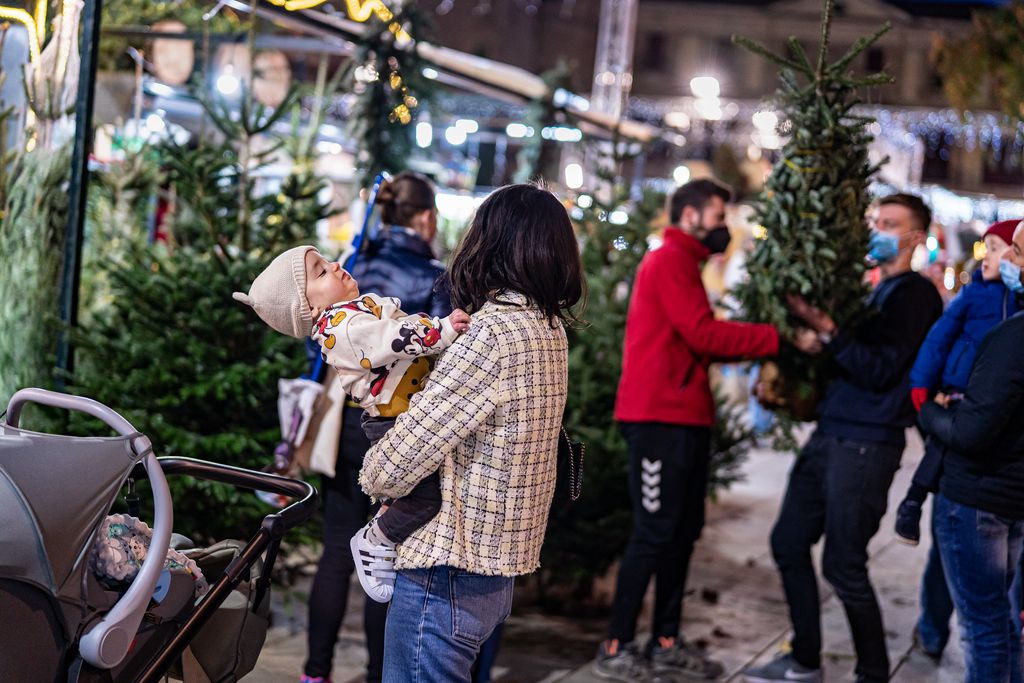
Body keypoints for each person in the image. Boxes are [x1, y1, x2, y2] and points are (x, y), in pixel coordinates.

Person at [359, 183, 585, 682]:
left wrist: (374, 468)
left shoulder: (492, 333)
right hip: (495, 570)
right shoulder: (548, 328)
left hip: (445, 572)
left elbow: (398, 461)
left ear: (490, 243)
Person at [595, 179, 817, 682]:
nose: (725, 227)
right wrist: (776, 338)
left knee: (681, 534)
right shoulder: (669, 260)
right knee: (654, 533)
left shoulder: (687, 263)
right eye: (719, 217)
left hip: (685, 418)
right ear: (691, 216)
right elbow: (702, 333)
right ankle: (616, 645)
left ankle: (665, 641)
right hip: (657, 420)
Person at [743, 194, 943, 683]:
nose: (877, 230)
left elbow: (880, 370)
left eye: (890, 223)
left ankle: (872, 672)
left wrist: (829, 330)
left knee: (843, 564)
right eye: (876, 220)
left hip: (867, 445)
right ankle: (805, 659)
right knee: (788, 541)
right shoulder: (875, 289)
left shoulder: (915, 295)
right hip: (831, 433)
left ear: (915, 237)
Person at [272, 172, 451, 683]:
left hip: (346, 424)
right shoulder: (434, 275)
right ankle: (379, 673)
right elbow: (441, 352)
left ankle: (315, 672)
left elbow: (321, 347)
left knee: (335, 550)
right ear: (427, 218)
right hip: (399, 422)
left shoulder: (355, 262)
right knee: (387, 552)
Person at [893, 219, 1021, 661]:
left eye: (1006, 249)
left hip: (986, 459)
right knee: (979, 595)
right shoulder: (976, 296)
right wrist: (921, 389)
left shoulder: (1016, 318)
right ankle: (930, 627)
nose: (997, 258)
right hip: (959, 401)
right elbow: (938, 340)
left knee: (988, 618)